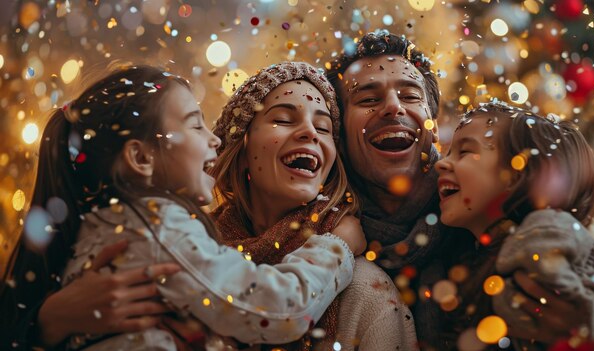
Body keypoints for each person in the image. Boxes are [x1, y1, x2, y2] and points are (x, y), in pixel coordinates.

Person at [1, 65, 360, 350]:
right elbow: (279, 311)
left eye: (324, 127)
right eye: (195, 124)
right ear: (141, 158)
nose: (214, 138)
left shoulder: (111, 224)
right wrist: (335, 248)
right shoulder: (161, 228)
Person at [325, 30, 594, 349]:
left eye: (410, 96)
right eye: (368, 99)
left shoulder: (511, 216)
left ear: (432, 124)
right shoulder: (320, 234)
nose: (393, 107)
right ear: (337, 132)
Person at [212, 61, 417, 350]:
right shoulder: (195, 253)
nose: (310, 132)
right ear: (241, 146)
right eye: (283, 119)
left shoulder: (365, 289)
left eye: (323, 127)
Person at [435, 101, 594, 349]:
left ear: (516, 174)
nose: (441, 163)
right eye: (448, 151)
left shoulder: (545, 235)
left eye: (465, 152)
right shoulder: (476, 252)